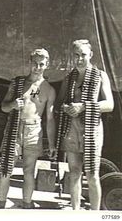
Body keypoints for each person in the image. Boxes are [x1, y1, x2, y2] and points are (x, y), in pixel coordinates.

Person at [56, 39, 114, 210]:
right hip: (71, 129)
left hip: (92, 129)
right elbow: (59, 104)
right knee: (74, 172)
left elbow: (109, 105)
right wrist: (66, 108)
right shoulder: (69, 78)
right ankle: (76, 212)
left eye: (83, 55)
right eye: (76, 55)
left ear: (91, 55)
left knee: (92, 174)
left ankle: (94, 215)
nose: (79, 59)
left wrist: (83, 106)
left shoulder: (100, 75)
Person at [0, 48, 56, 209]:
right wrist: (13, 105)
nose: (38, 67)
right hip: (14, 128)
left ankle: (27, 205)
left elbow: (49, 119)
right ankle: (1, 206)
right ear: (30, 63)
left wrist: (51, 144)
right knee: (6, 169)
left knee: (29, 171)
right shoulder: (17, 83)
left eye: (41, 64)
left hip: (34, 130)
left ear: (47, 65)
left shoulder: (49, 90)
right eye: (35, 63)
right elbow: (3, 107)